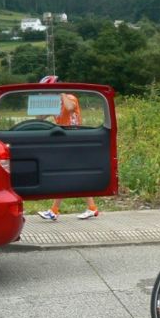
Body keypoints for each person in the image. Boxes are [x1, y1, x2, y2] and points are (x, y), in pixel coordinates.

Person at [36, 75, 99, 220]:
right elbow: (39, 118)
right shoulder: (55, 102)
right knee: (73, 174)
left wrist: (60, 91)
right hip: (66, 140)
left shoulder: (70, 97)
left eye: (47, 90)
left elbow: (70, 108)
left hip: (75, 139)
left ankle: (54, 210)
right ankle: (92, 208)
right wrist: (41, 104)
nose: (46, 93)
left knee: (63, 174)